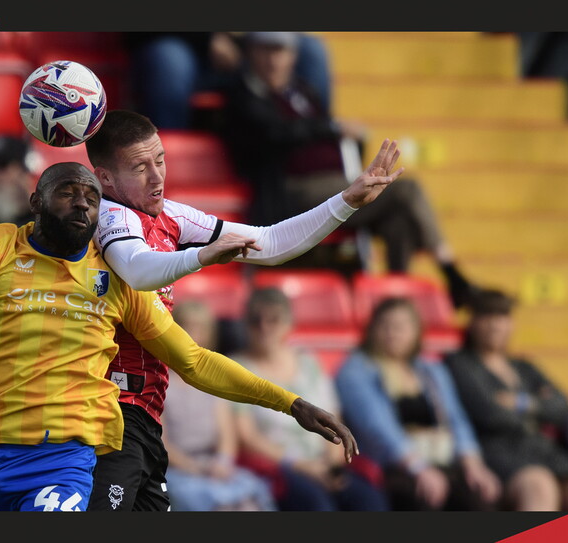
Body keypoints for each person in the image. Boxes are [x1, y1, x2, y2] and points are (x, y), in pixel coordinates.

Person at [0, 162, 357, 511]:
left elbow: (194, 361)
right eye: (68, 193)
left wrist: (290, 403)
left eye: (92, 197)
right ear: (36, 202)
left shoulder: (116, 280)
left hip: (60, 460)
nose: (82, 204)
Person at [83, 109, 400, 512]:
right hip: (108, 412)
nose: (157, 176)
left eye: (160, 159)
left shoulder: (170, 216)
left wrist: (346, 201)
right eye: (139, 167)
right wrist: (202, 256)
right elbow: (136, 267)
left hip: (145, 414)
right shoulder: (108, 217)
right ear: (106, 179)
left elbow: (270, 243)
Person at [221, 31, 477, 307]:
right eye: (266, 50)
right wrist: (331, 127)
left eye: (280, 51)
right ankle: (450, 272)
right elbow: (273, 133)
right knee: (406, 190)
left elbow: (317, 131)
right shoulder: (244, 94)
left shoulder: (301, 92)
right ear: (251, 53)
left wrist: (341, 134)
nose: (273, 60)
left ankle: (396, 300)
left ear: (292, 56)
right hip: (293, 190)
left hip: (333, 182)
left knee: (398, 218)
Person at [334, 298, 502, 511]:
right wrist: (418, 467)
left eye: (401, 326)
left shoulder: (431, 370)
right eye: (385, 325)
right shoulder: (355, 371)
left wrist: (473, 463)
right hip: (392, 466)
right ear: (372, 329)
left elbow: (456, 418)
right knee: (424, 497)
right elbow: (376, 427)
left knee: (480, 497)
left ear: (416, 332)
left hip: (443, 459)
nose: (392, 333)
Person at [231, 287, 388, 511]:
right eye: (256, 320)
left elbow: (332, 416)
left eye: (274, 320)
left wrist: (332, 464)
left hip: (322, 462)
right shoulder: (235, 368)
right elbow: (247, 438)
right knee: (317, 505)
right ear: (245, 323)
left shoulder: (308, 362)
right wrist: (301, 466)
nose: (264, 327)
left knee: (370, 500)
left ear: (288, 323)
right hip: (277, 469)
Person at [444, 289, 568, 511]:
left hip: (543, 451)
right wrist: (538, 406)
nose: (495, 325)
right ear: (472, 322)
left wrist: (521, 403)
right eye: (487, 316)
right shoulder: (460, 364)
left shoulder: (523, 366)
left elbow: (562, 406)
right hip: (495, 453)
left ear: (511, 324)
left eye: (502, 317)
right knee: (540, 486)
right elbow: (490, 415)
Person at [161, 300, 277, 511]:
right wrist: (197, 468)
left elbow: (227, 436)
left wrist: (223, 462)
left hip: (213, 466)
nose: (193, 334)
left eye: (200, 328)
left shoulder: (214, 380)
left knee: (251, 502)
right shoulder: (161, 382)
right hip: (179, 470)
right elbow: (163, 445)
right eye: (187, 326)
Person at [127, 32, 333, 130]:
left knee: (311, 51)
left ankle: (320, 147)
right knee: (169, 61)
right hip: (186, 45)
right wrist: (208, 39)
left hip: (246, 42)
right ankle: (164, 160)